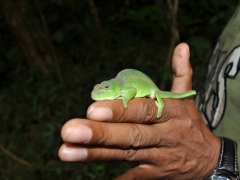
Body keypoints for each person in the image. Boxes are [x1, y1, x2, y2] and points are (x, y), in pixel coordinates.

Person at [58, 2, 240, 179]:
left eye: (104, 89)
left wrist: (219, 161)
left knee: (156, 96)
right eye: (101, 89)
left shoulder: (124, 88)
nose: (101, 91)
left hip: (155, 93)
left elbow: (129, 93)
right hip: (203, 118)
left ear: (112, 88)